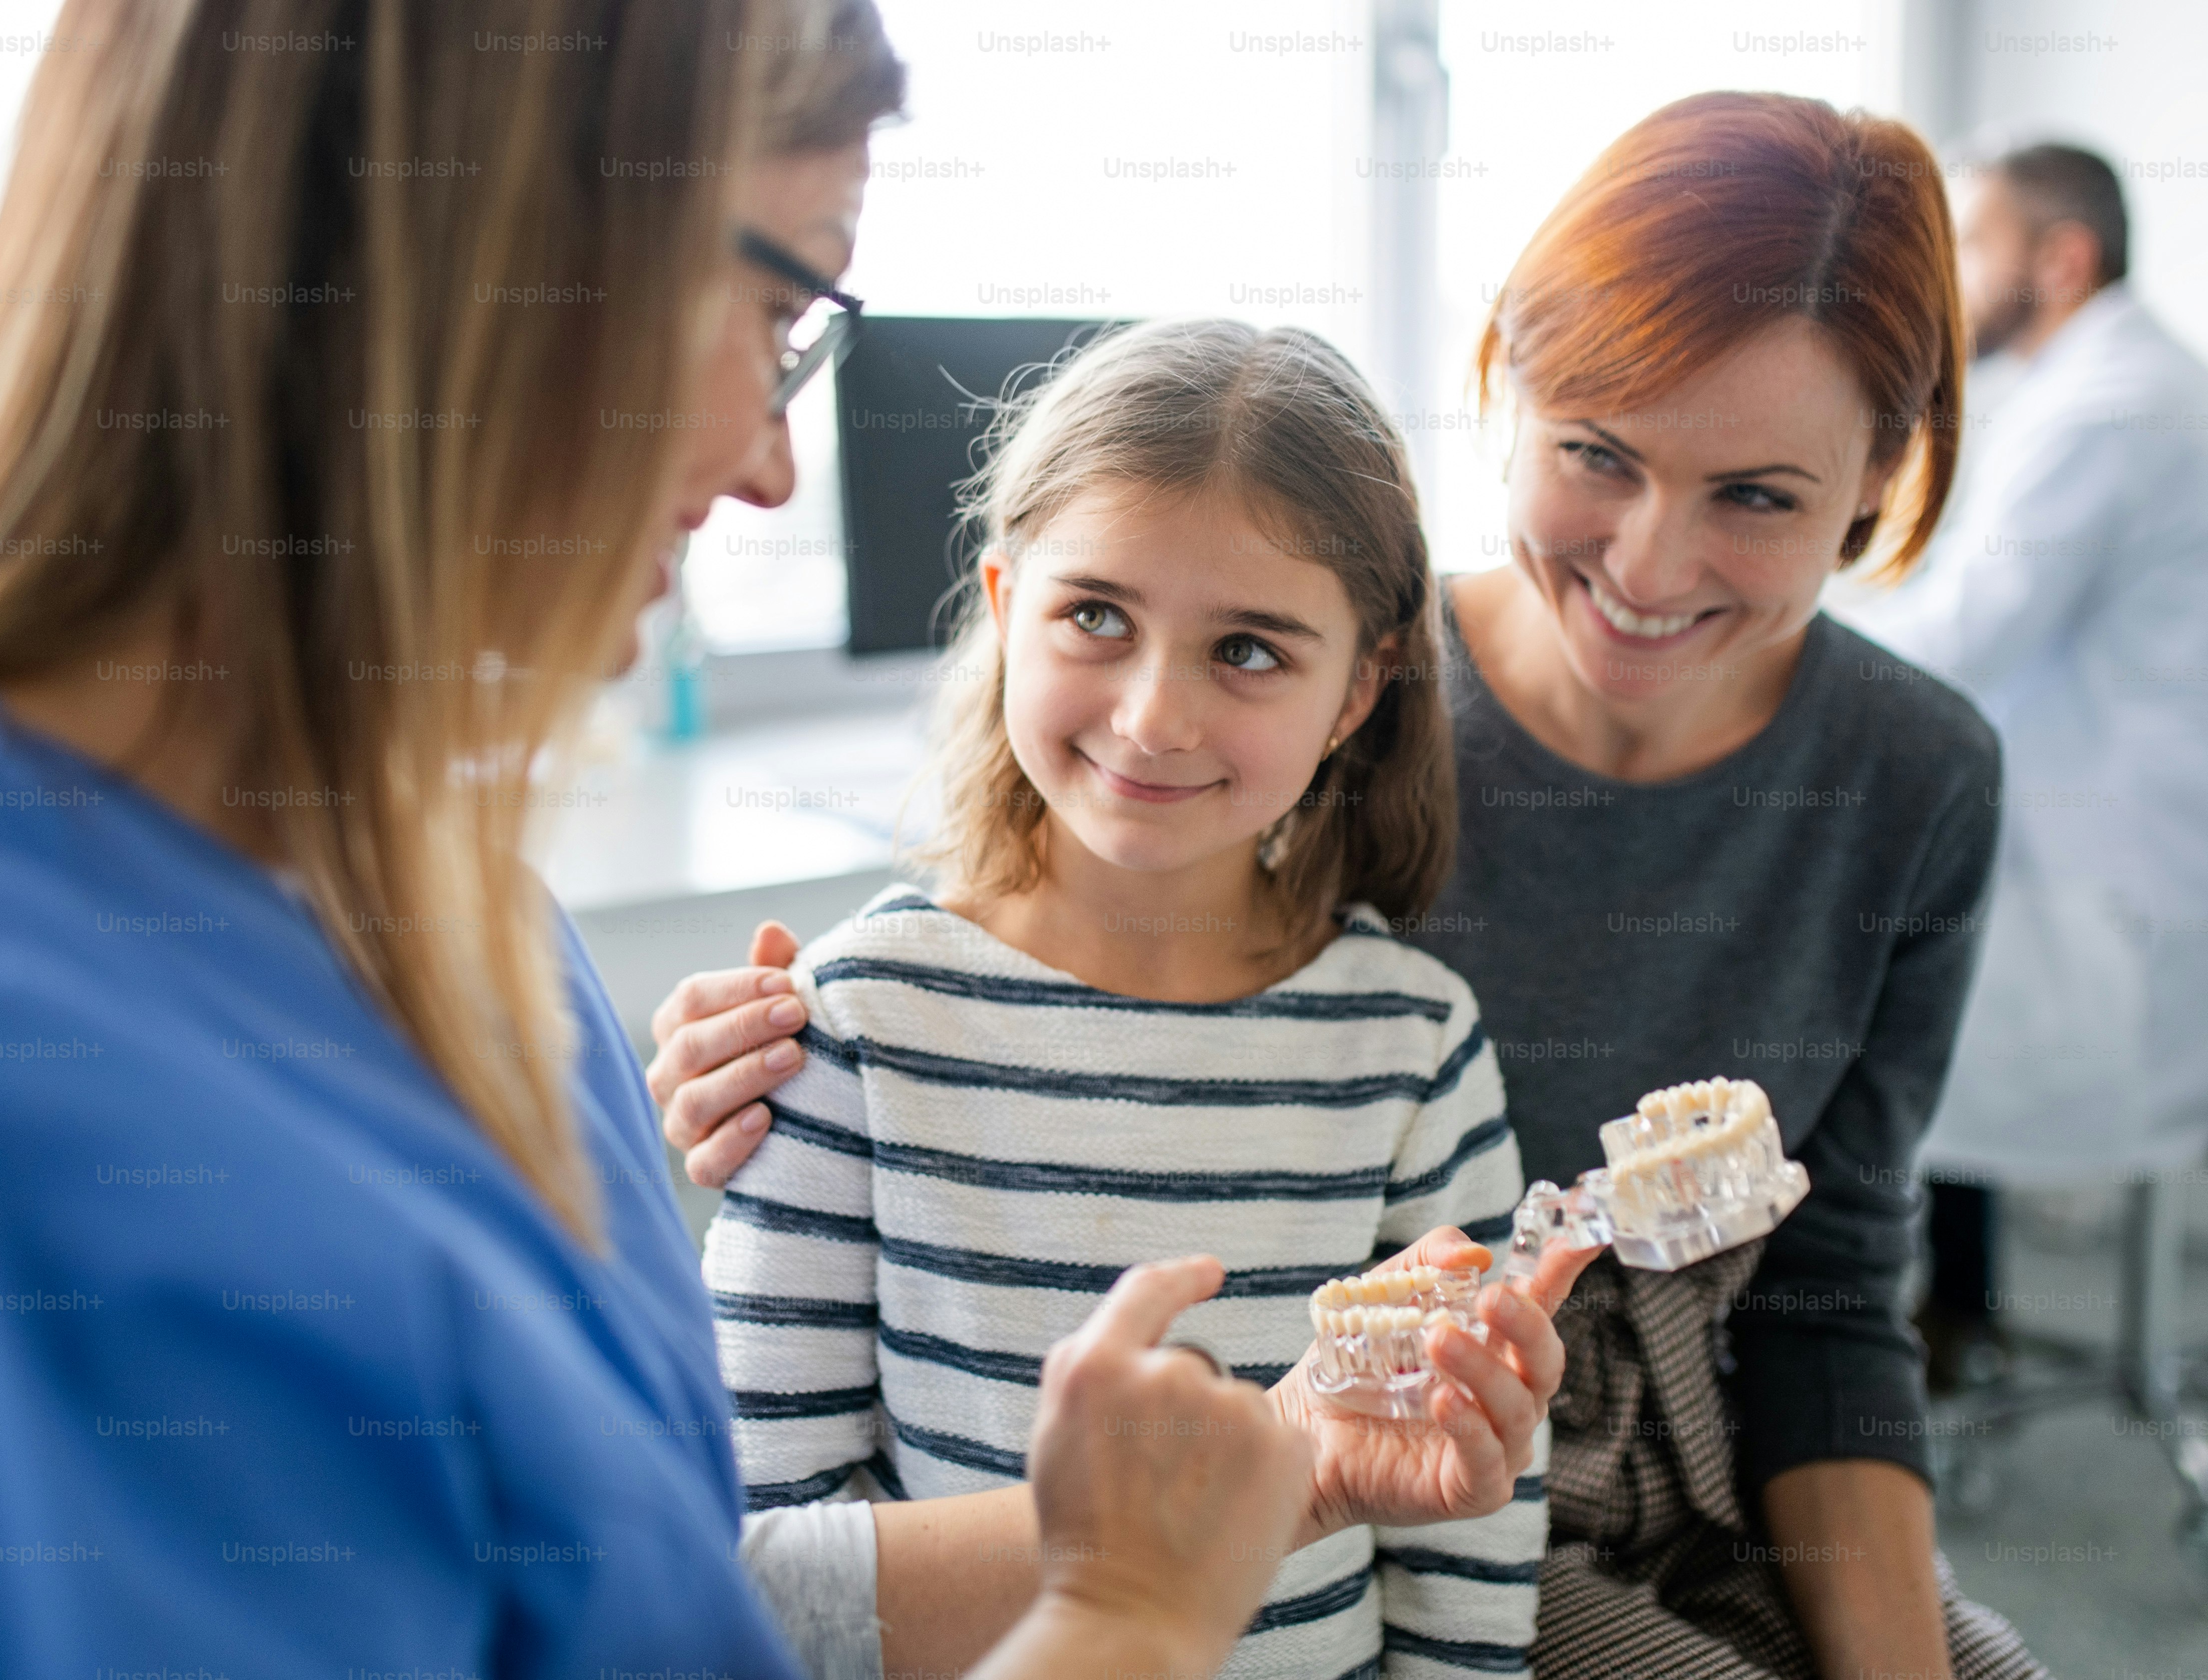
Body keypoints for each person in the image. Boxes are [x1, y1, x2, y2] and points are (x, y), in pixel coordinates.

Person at [0, 4, 1585, 1675]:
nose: (778, 469)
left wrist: (1254, 1503)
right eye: (781, 304)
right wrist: (1129, 1612)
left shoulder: (478, 925)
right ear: (490, 262)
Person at [653, 93, 2048, 1679]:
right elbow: (1056, 919)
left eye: (1757, 495)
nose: (1651, 568)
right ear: (1507, 386)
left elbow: (1833, 1288)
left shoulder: (1910, 776)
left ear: (1878, 480)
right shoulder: (1298, 689)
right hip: (1436, 1479)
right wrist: (776, 1040)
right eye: (1598, 455)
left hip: (1662, 1455)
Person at [713, 316, 1561, 1678]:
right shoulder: (858, 1021)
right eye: (1096, 616)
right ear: (1005, 605)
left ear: (1357, 690)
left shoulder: (1410, 1043)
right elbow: (761, 1550)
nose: (1155, 716)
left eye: (1250, 650)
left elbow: (1468, 1538)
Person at [1831, 144, 2208, 1384]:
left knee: (1902, 1004)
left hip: (2142, 889)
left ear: (2061, 260)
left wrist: (1767, 623)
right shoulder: (2125, 383)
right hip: (2164, 860)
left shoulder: (2106, 406)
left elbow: (1962, 633)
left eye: (1973, 245)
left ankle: (1922, 1339)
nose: (1947, 275)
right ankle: (1958, 1320)